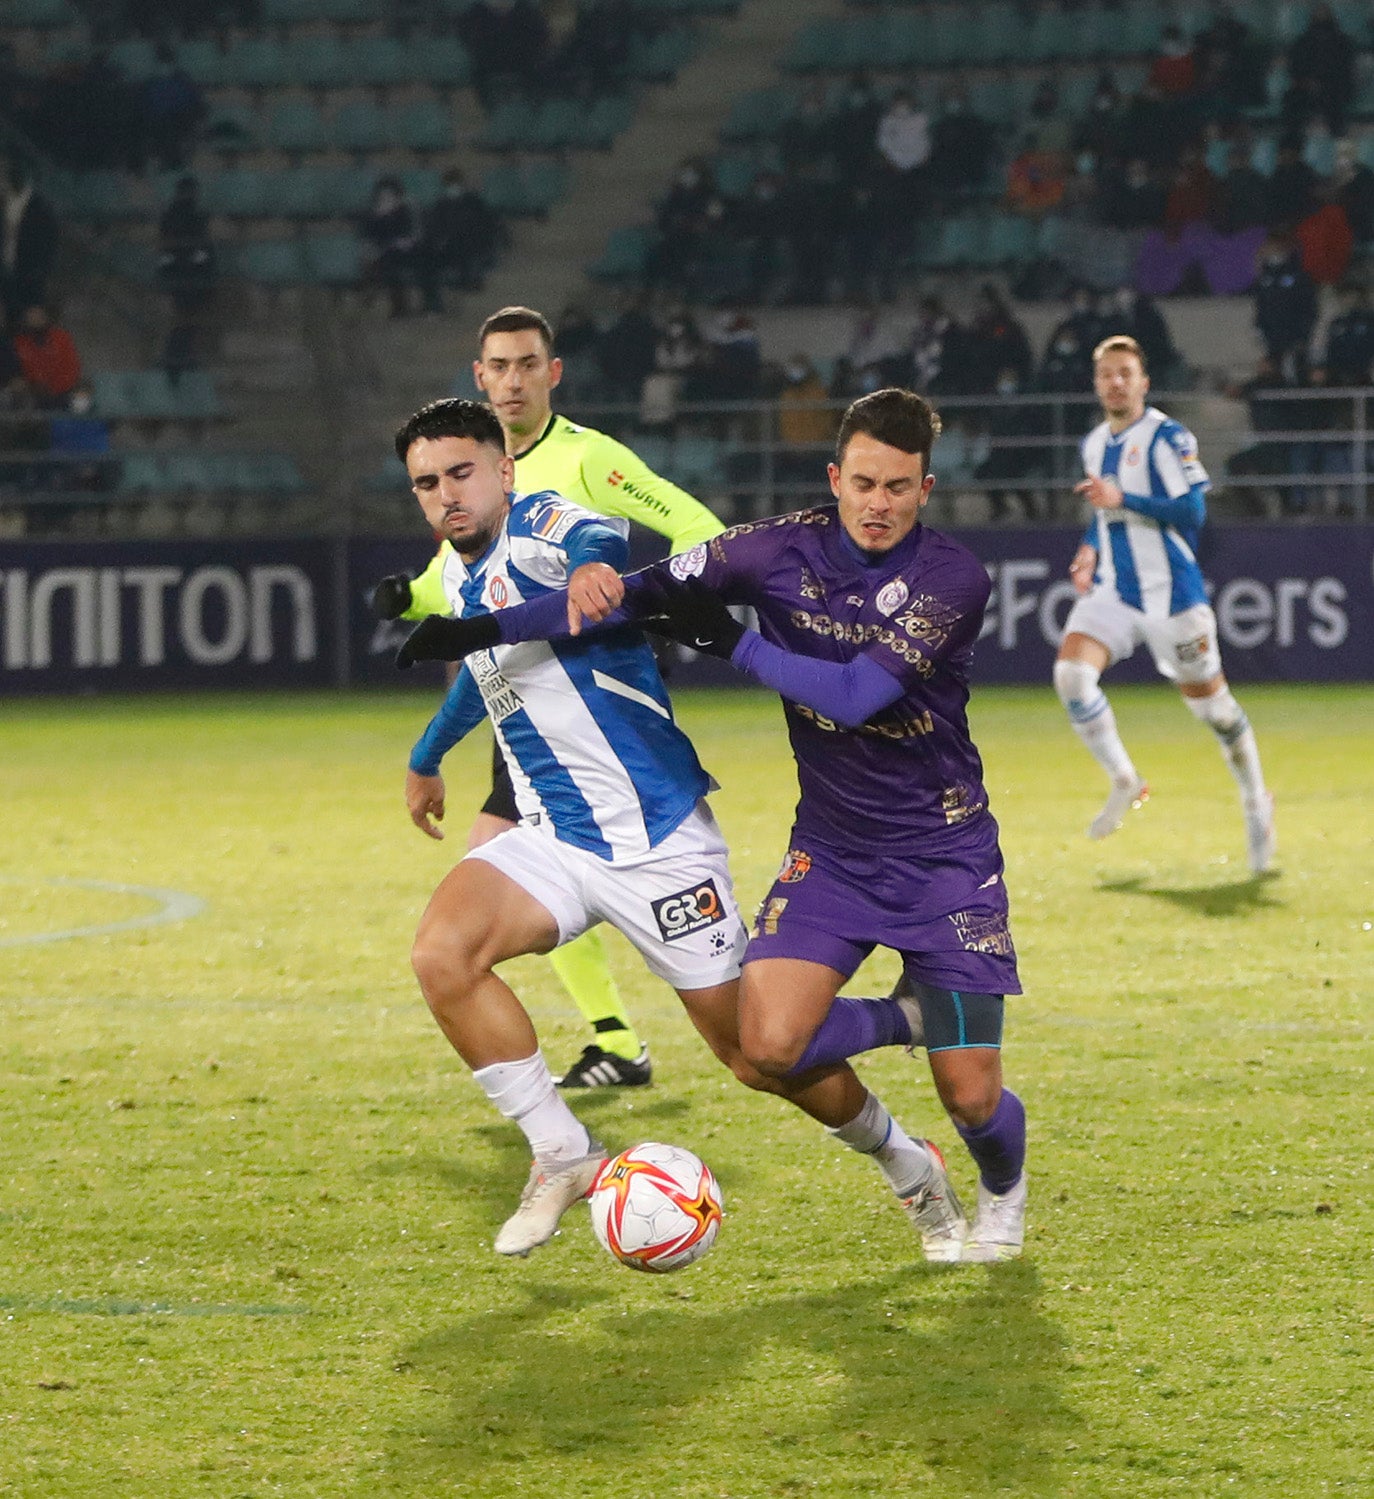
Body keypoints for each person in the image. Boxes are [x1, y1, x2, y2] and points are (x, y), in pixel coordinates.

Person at [402, 388, 1033, 1264]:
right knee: (448, 954)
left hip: (922, 850)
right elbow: (624, 596)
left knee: (917, 1087)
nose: (878, 503)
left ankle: (987, 1174)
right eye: (863, 483)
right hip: (804, 846)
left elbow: (852, 696)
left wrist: (718, 636)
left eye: (898, 486)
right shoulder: (776, 546)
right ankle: (561, 1149)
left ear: (926, 488)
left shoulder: (951, 576)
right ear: (834, 479)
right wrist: (461, 661)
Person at [372, 306, 723, 1089]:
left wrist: (652, 605)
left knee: (501, 878)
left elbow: (693, 525)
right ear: (479, 375)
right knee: (499, 884)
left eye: (527, 363)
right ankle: (613, 1037)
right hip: (512, 697)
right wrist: (407, 597)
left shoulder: (589, 458)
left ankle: (618, 1035)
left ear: (552, 372)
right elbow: (465, 593)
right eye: (497, 365)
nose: (511, 380)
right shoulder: (466, 470)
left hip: (589, 705)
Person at [1054, 335, 1276, 873]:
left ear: (1144, 382)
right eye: (1107, 373)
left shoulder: (1167, 437)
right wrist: (1089, 548)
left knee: (1217, 714)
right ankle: (1125, 778)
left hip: (1173, 599)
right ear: (1096, 383)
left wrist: (1123, 499)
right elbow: (1103, 514)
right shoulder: (1092, 444)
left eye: (1126, 373)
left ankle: (1255, 800)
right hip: (1115, 591)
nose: (1116, 382)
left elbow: (1194, 512)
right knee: (1072, 678)